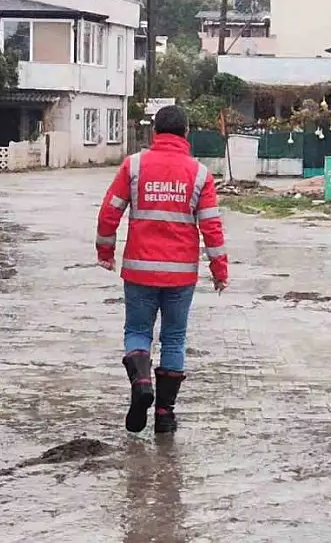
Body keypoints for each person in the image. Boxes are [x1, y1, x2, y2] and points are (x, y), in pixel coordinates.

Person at [95, 105, 229, 434]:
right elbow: (211, 227)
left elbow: (110, 211)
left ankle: (141, 383)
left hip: (139, 270)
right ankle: (165, 414)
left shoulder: (134, 165)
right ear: (186, 133)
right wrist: (219, 270)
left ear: (155, 132)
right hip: (180, 275)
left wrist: (105, 250)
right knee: (174, 339)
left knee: (138, 332)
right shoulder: (200, 174)